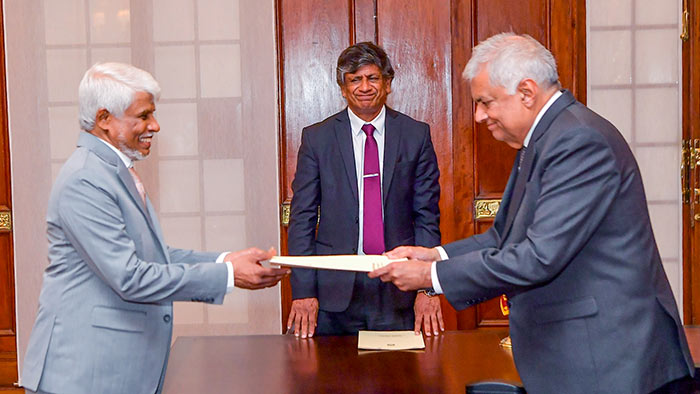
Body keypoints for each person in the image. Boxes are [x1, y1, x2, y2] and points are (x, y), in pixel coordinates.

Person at [370, 33, 694, 393]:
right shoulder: (545, 139)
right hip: (582, 352)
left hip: (606, 356)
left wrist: (431, 276)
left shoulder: (578, 141)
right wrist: (435, 253)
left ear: (526, 92)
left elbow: (539, 256)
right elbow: (503, 237)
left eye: (485, 102)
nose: (478, 116)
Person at [21, 63, 290, 394]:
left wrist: (224, 260)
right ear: (104, 119)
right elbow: (130, 277)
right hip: (85, 371)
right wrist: (229, 275)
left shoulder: (113, 171)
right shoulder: (86, 179)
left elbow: (155, 256)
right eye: (144, 115)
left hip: (111, 367)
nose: (155, 125)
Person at [287, 42, 443, 338]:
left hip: (398, 287)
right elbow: (302, 220)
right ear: (343, 88)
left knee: (400, 380)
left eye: (372, 78)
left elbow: (427, 217)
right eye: (354, 79)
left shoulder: (415, 135)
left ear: (387, 84)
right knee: (333, 381)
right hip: (334, 289)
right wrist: (303, 291)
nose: (364, 87)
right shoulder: (317, 139)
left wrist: (428, 287)